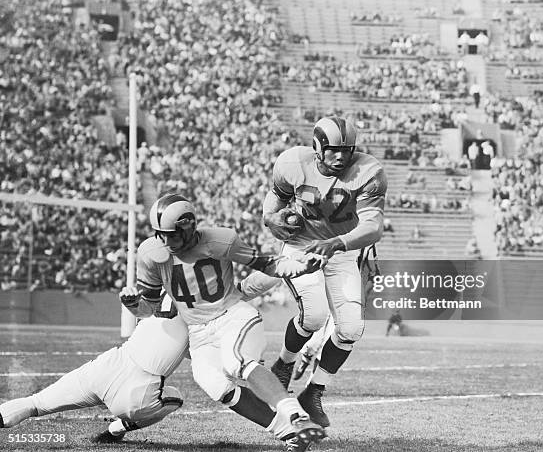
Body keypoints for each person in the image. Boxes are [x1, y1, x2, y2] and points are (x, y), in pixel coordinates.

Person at [123, 193, 326, 451]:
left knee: (236, 362)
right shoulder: (151, 253)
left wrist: (300, 267)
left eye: (172, 234)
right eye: (160, 233)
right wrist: (132, 304)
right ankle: (289, 433)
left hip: (233, 317)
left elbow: (267, 264)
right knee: (213, 383)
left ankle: (296, 414)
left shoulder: (221, 240)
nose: (165, 240)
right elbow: (149, 308)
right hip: (198, 332)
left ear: (188, 227)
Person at [262, 116, 388, 427]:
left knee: (350, 329)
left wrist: (338, 243)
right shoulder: (293, 163)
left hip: (342, 250)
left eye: (347, 150)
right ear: (317, 147)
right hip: (302, 246)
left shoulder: (369, 171)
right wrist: (271, 219)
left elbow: (373, 226)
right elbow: (273, 202)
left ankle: (313, 391)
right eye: (333, 150)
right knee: (315, 316)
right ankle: (284, 364)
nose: (341, 157)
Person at [0, 296, 187, 441]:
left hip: (107, 366)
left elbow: (147, 317)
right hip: (137, 392)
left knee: (35, 403)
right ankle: (117, 428)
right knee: (176, 397)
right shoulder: (201, 309)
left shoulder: (161, 287)